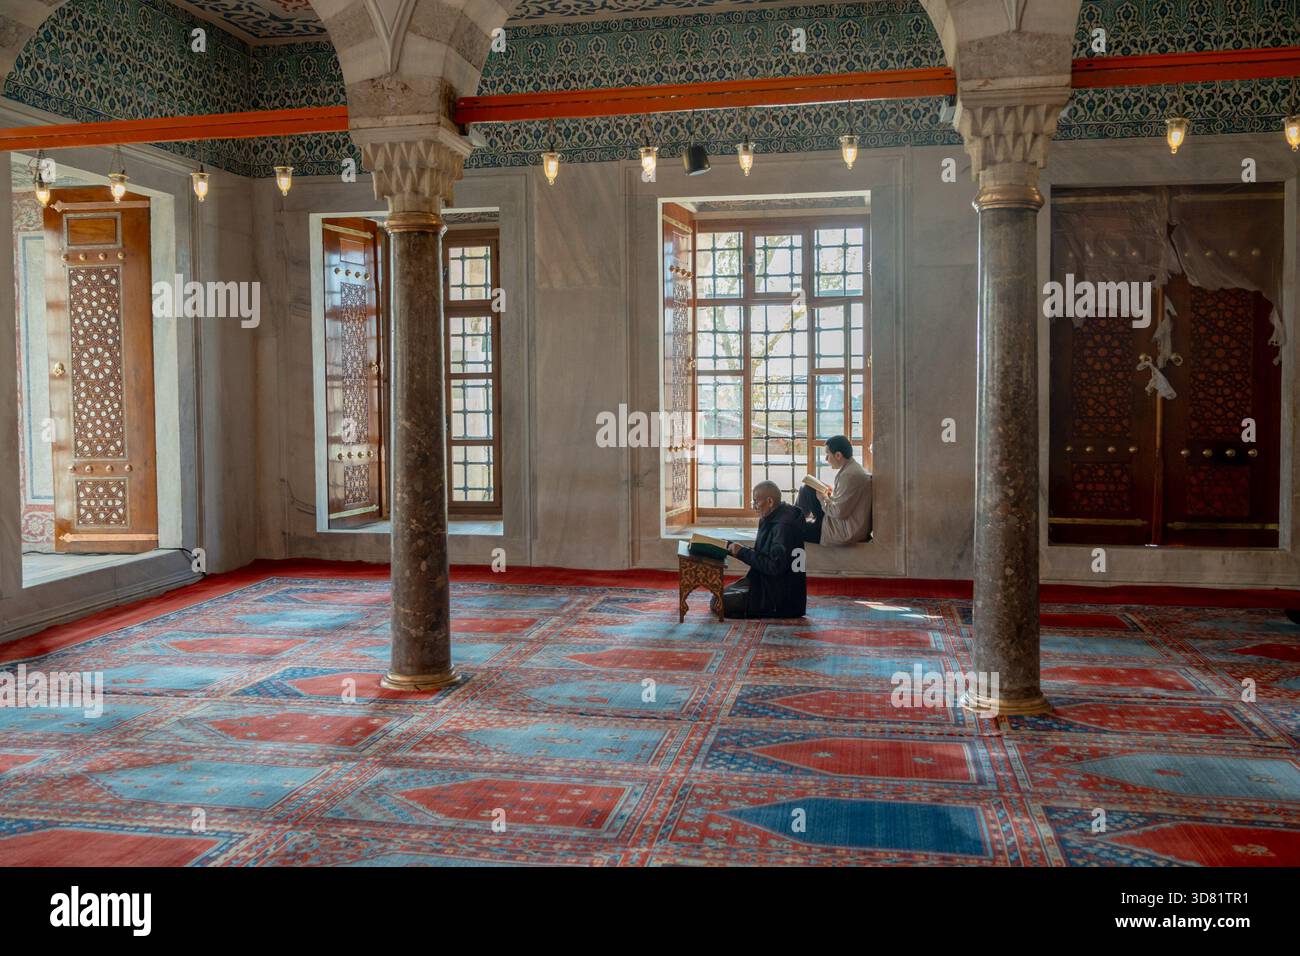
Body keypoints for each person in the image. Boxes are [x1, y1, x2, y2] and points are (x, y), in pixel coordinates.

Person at [712, 481, 807, 619]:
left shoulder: (783, 526)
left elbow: (774, 567)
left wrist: (742, 552)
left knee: (718, 601)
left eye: (756, 501)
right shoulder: (774, 517)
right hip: (768, 583)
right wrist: (737, 549)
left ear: (770, 501)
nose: (753, 507)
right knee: (718, 594)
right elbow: (764, 555)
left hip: (779, 596)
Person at [796, 435, 872, 545]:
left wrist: (823, 498)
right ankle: (794, 520)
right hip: (845, 525)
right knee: (808, 487)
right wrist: (830, 493)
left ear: (838, 455)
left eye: (828, 454)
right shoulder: (853, 469)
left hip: (843, 531)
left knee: (807, 489)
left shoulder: (849, 475)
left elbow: (839, 512)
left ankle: (793, 520)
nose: (826, 459)